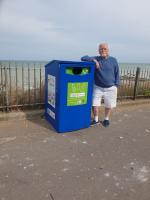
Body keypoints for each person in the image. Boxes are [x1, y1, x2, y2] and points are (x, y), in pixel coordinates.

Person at [81, 43, 120, 127]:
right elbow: (83, 57)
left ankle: (106, 119)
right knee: (94, 103)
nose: (103, 50)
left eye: (105, 49)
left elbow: (117, 72)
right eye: (101, 49)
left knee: (109, 105)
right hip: (97, 86)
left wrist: (116, 85)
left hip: (111, 87)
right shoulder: (96, 58)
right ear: (99, 51)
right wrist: (94, 61)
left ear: (108, 50)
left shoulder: (113, 60)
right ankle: (95, 119)